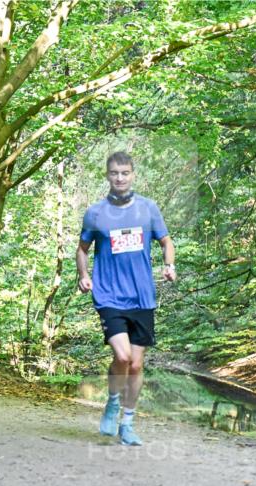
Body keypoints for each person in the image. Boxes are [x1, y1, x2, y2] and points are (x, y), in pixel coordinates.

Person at [76, 151, 176, 446]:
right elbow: (82, 248)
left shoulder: (148, 209)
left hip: (142, 295)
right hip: (109, 294)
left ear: (133, 175)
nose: (119, 178)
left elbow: (166, 242)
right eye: (114, 173)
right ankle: (112, 402)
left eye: (125, 173)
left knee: (135, 365)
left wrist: (169, 265)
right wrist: (83, 274)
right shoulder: (96, 213)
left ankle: (128, 423)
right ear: (107, 176)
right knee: (122, 356)